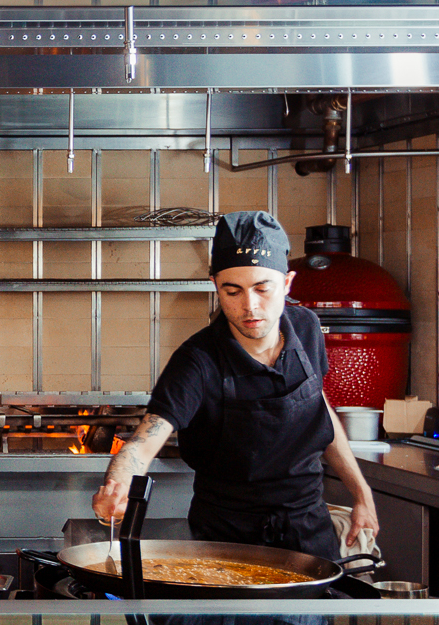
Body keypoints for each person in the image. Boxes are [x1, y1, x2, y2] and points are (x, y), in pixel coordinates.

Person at [91, 210, 379, 562]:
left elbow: (319, 410)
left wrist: (361, 492)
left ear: (287, 283)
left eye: (262, 288)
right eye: (232, 291)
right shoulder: (197, 361)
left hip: (307, 529)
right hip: (226, 539)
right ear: (216, 285)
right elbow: (144, 442)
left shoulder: (306, 328)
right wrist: (117, 487)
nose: (249, 306)